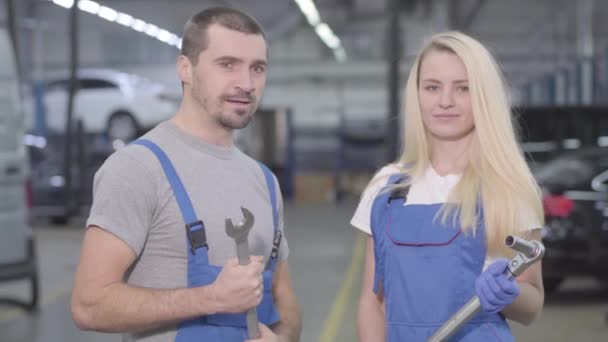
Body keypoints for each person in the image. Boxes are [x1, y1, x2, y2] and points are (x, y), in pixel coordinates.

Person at [71, 7, 301, 342]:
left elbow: (286, 303)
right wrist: (211, 297)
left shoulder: (264, 181)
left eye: (257, 68)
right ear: (186, 69)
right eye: (227, 64)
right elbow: (88, 305)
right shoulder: (137, 168)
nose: (246, 83)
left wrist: (283, 338)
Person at [352, 31, 545, 341]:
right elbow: (372, 301)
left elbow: (533, 304)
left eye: (463, 88)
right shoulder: (386, 189)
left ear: (483, 95)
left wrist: (509, 294)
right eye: (432, 87)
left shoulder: (508, 188)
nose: (445, 101)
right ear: (416, 94)